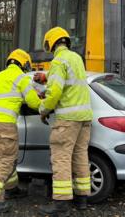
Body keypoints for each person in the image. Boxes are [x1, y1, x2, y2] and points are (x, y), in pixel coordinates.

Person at [38, 27, 93, 217]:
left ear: (51, 43)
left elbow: (55, 92)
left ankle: (61, 205)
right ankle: (82, 199)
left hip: (67, 120)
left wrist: (43, 109)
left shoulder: (58, 61)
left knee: (61, 158)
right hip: (85, 118)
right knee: (80, 157)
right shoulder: (77, 58)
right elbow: (71, 86)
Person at [0, 49, 41, 213]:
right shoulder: (21, 78)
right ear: (24, 63)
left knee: (8, 157)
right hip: (5, 124)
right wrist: (47, 103)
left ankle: (12, 189)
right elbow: (33, 102)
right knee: (6, 159)